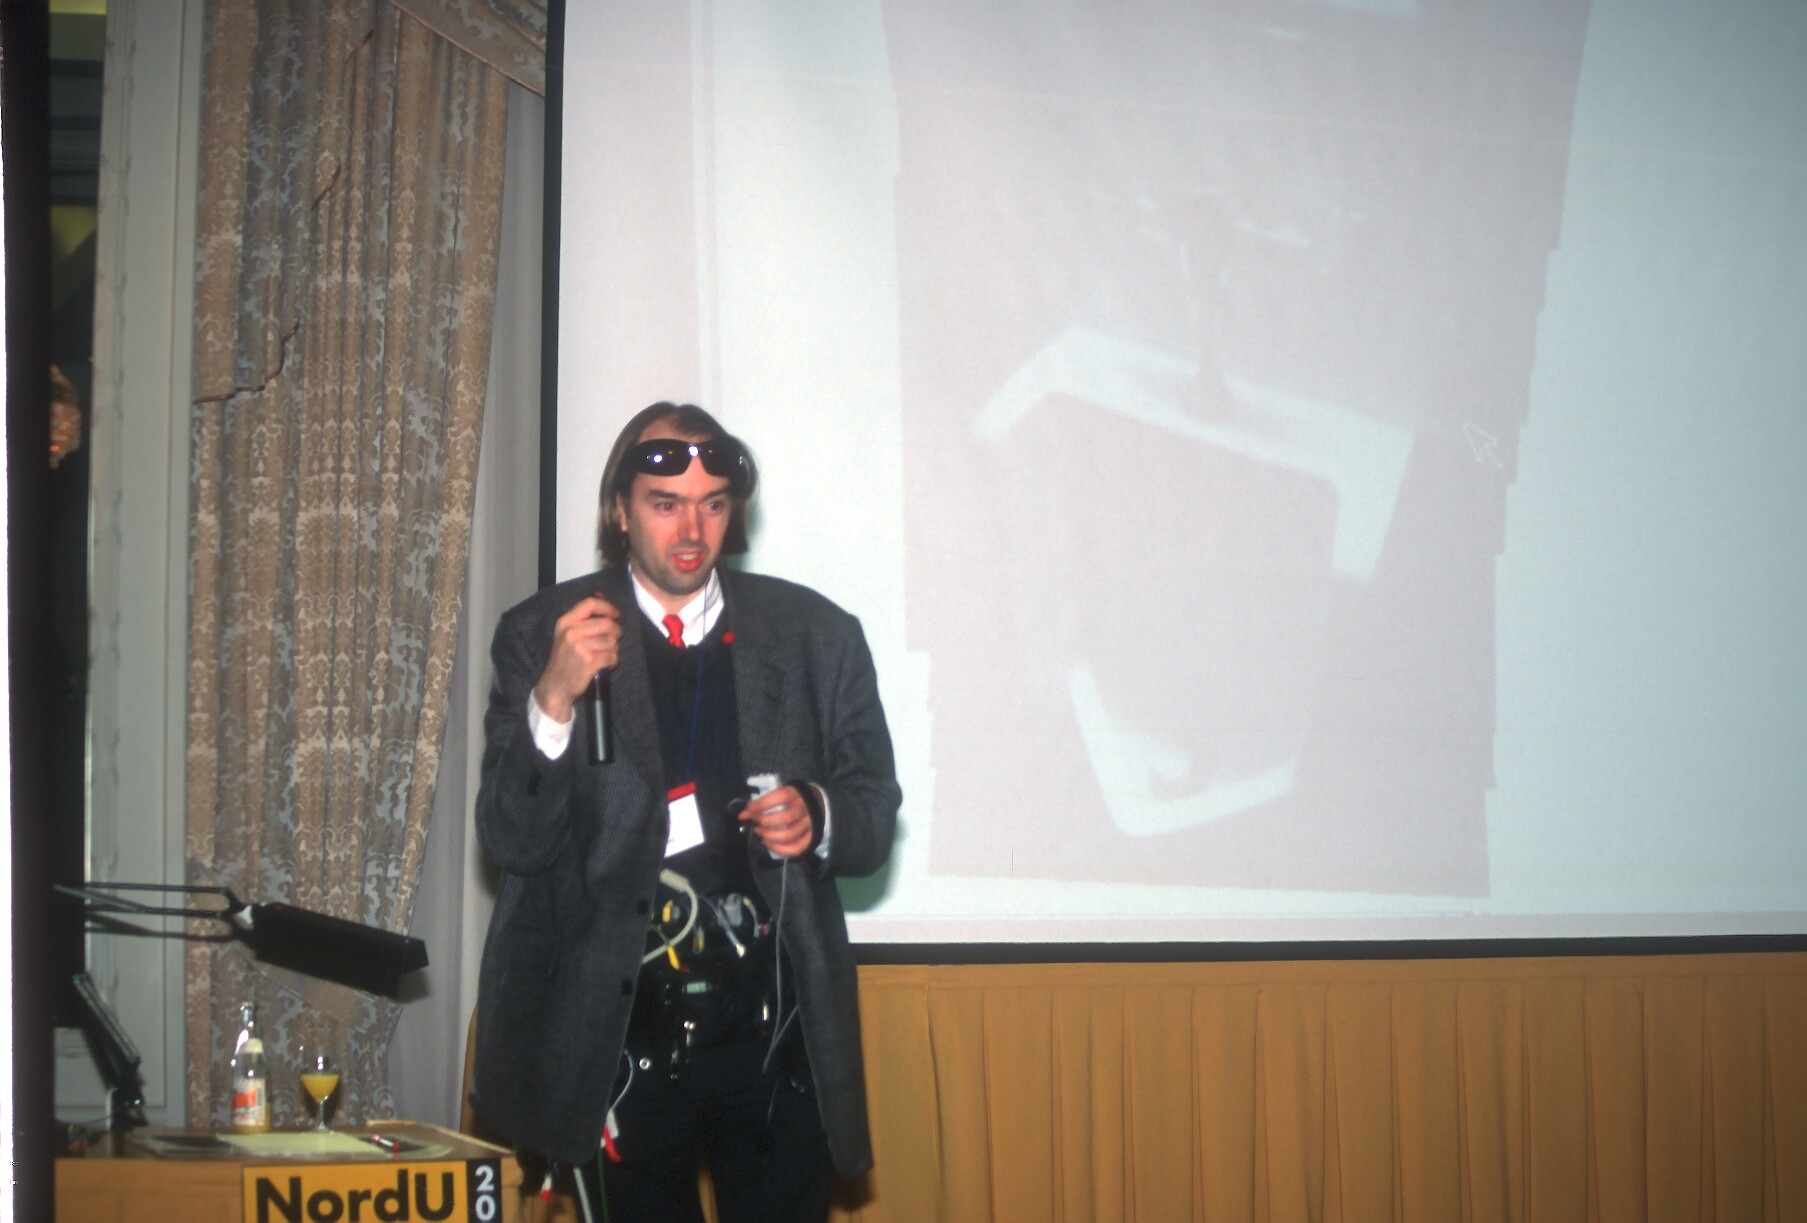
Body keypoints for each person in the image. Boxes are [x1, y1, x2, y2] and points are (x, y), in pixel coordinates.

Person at [470, 402, 900, 1223]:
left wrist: (819, 813)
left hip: (773, 1036)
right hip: (614, 1036)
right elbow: (512, 841)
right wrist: (552, 698)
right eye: (665, 504)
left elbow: (875, 812)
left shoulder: (816, 634)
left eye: (712, 504)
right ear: (619, 510)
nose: (692, 529)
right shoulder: (541, 632)